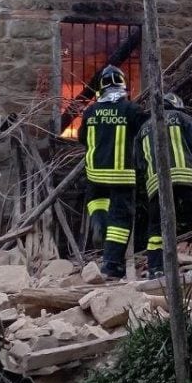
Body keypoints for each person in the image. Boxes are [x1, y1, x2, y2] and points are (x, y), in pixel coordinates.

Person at [135, 93, 192, 278]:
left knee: (156, 230)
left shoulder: (142, 129)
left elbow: (140, 163)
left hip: (156, 184)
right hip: (187, 177)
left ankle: (156, 269)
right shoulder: (182, 118)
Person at [78, 65, 147, 279]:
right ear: (123, 85)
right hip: (122, 175)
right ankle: (112, 264)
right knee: (120, 219)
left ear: (100, 88)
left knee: (96, 201)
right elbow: (147, 130)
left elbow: (81, 138)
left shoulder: (90, 111)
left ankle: (99, 222)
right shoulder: (130, 110)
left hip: (95, 173)